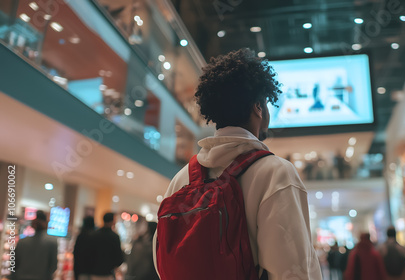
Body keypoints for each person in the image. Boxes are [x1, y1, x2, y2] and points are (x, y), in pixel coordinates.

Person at [153, 48, 321, 280]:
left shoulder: (181, 179)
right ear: (258, 107)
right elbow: (294, 270)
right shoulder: (276, 173)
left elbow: (162, 262)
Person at [9, 210, 58, 280]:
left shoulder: (22, 242)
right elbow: (53, 266)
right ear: (46, 223)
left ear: (33, 223)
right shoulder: (52, 242)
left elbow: (13, 264)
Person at [91, 212, 124, 280]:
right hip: (108, 273)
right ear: (112, 221)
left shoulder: (95, 234)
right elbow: (119, 257)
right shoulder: (115, 237)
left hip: (94, 271)